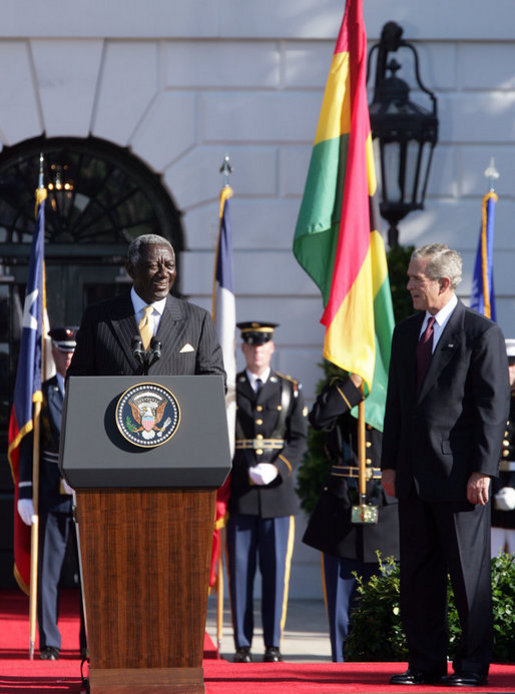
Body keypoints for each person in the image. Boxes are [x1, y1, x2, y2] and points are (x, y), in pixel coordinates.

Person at [381, 244, 510, 688]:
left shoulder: (480, 333)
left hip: (460, 479)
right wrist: (389, 465)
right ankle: (425, 663)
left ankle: (472, 666)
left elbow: (492, 409)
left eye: (417, 278)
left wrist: (483, 471)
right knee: (418, 575)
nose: (409, 284)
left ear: (444, 283)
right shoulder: (405, 331)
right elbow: (397, 405)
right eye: (411, 277)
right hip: (414, 475)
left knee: (467, 578)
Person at [302, 373, 399, 662]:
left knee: (387, 606)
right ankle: (342, 671)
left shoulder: (397, 387)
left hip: (387, 509)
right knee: (342, 606)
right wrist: (351, 387)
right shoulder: (340, 388)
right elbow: (319, 419)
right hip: (342, 509)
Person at [227, 321, 307, 663]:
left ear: (272, 348)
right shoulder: (231, 389)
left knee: (276, 573)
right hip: (242, 494)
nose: (257, 350)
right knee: (240, 572)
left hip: (277, 495)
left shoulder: (288, 389)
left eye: (263, 345)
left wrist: (278, 467)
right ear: (243, 349)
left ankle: (273, 644)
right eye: (251, 345)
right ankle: (243, 643)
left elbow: (299, 438)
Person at [67, 234, 225, 381]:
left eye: (169, 265)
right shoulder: (98, 318)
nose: (163, 273)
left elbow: (214, 383)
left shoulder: (198, 320)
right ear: (131, 269)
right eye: (153, 266)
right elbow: (78, 381)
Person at [17, 327, 87, 660]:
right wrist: (26, 494)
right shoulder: (41, 396)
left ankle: (90, 642)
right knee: (48, 574)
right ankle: (50, 641)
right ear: (53, 353)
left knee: (89, 576)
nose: (68, 356)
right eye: (63, 351)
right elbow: (31, 447)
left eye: (73, 351)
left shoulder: (90, 392)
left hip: (85, 497)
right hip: (51, 491)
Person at [491, 338, 515, 556]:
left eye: (511, 365)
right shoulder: (494, 400)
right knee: (492, 559)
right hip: (494, 485)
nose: (507, 370)